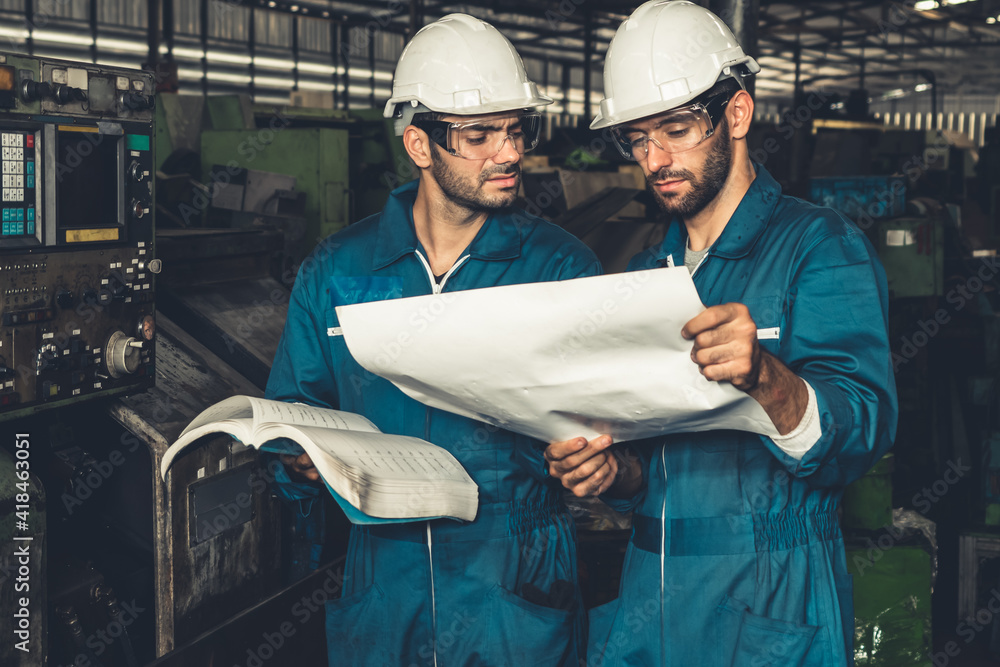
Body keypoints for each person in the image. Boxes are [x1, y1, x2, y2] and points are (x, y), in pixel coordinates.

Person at [544, 2, 898, 665]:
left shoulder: (819, 248)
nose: (656, 159)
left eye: (676, 129)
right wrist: (612, 471)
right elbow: (659, 469)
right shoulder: (650, 272)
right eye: (638, 139)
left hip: (770, 597)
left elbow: (864, 433)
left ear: (736, 113)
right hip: (651, 597)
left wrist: (768, 376)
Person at [265, 13, 600, 667]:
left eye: (515, 129)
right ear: (419, 145)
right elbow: (294, 413)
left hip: (512, 585)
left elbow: (611, 437)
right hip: (382, 582)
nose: (508, 152)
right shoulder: (339, 271)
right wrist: (299, 461)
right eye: (480, 135)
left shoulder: (561, 269)